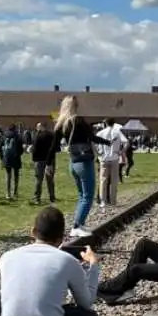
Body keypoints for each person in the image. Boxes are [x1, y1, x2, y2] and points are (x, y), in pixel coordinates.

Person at [52, 96, 111, 238]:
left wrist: (49, 162)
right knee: (88, 196)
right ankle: (77, 226)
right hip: (85, 162)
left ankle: (79, 223)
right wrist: (108, 142)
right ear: (75, 106)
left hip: (73, 163)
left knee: (81, 195)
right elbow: (92, 137)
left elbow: (55, 145)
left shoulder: (61, 123)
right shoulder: (79, 121)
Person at [97, 118, 127, 208]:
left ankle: (103, 201)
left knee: (103, 180)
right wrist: (121, 151)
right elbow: (126, 142)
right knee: (114, 181)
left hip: (104, 159)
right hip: (114, 158)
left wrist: (97, 153)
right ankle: (113, 201)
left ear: (105, 123)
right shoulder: (117, 132)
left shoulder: (101, 133)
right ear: (114, 124)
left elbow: (92, 142)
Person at [31, 122, 56, 204]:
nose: (37, 128)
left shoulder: (37, 136)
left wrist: (33, 159)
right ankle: (52, 197)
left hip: (39, 160)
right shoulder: (51, 135)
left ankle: (37, 198)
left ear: (41, 127)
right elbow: (55, 148)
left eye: (37, 127)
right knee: (50, 179)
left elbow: (34, 149)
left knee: (39, 179)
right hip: (50, 159)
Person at [2, 124, 24, 200]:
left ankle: (8, 193)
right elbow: (21, 149)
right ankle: (15, 192)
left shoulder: (4, 135)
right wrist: (18, 154)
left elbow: (0, 147)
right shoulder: (17, 136)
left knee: (8, 176)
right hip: (16, 158)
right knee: (16, 176)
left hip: (7, 158)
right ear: (15, 129)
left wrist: (3, 157)